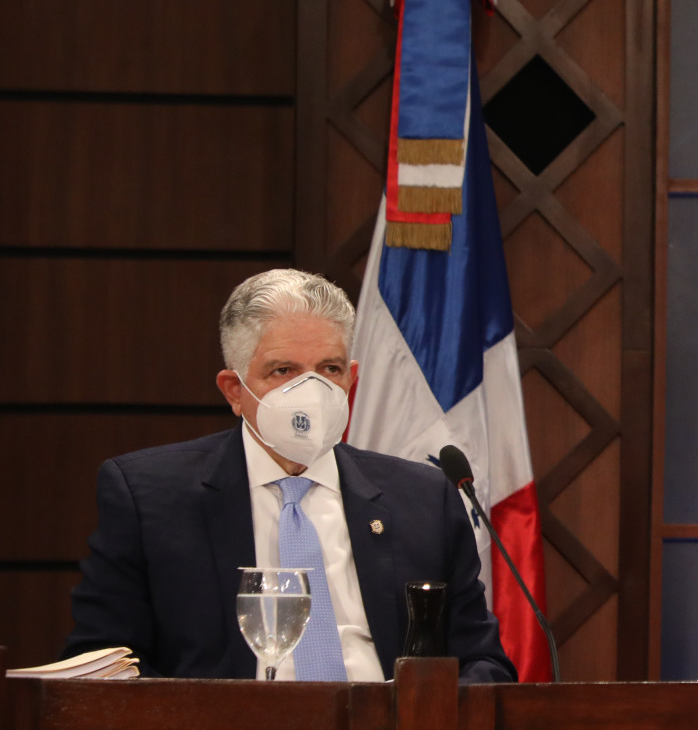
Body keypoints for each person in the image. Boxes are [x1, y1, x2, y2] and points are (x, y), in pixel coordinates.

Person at [66, 269, 517, 682]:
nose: (311, 391)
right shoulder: (149, 497)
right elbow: (104, 662)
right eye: (283, 371)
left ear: (351, 380)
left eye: (329, 369)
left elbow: (483, 664)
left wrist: (421, 721)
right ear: (234, 390)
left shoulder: (423, 498)